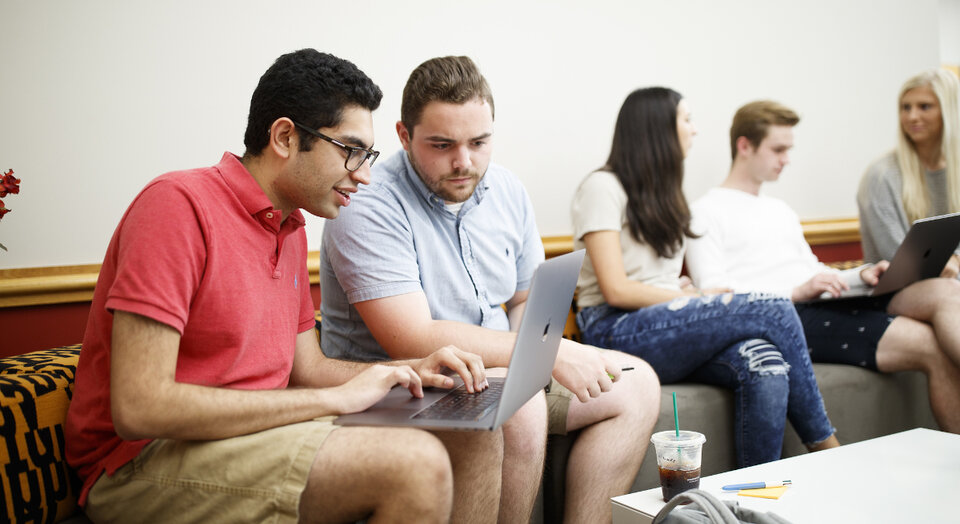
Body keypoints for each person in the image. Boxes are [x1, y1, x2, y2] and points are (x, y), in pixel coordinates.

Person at [64, 49, 508, 524]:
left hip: (253, 435)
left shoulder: (291, 226)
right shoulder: (175, 206)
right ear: (284, 137)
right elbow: (141, 407)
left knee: (474, 426)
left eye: (369, 155)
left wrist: (412, 369)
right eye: (351, 151)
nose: (364, 174)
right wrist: (335, 400)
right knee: (415, 465)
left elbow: (307, 369)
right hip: (140, 461)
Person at [319, 55, 660, 524]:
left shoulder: (506, 190)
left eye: (479, 142)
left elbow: (523, 299)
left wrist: (534, 358)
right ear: (403, 135)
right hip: (404, 379)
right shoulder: (368, 201)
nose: (464, 162)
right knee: (512, 399)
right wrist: (544, 355)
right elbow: (410, 336)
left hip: (499, 366)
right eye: (442, 145)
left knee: (637, 385)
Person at [572, 87, 839, 470]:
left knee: (766, 363)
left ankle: (753, 495)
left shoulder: (666, 194)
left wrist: (687, 292)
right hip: (612, 331)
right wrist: (695, 301)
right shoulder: (602, 186)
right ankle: (829, 450)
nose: (695, 131)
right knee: (775, 309)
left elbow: (653, 280)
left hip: (656, 326)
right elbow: (616, 288)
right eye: (687, 119)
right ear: (657, 127)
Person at [686, 99, 960, 434]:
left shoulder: (780, 209)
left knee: (946, 289)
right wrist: (795, 292)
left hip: (827, 300)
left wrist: (860, 274)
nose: (787, 159)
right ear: (745, 146)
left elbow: (811, 270)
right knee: (929, 343)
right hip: (787, 316)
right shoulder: (704, 212)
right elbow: (714, 293)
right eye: (778, 149)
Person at [858, 67, 960, 276]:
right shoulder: (881, 175)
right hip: (899, 288)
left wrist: (955, 261)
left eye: (924, 107)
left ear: (949, 111)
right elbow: (896, 257)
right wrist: (944, 265)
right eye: (906, 108)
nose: (912, 116)